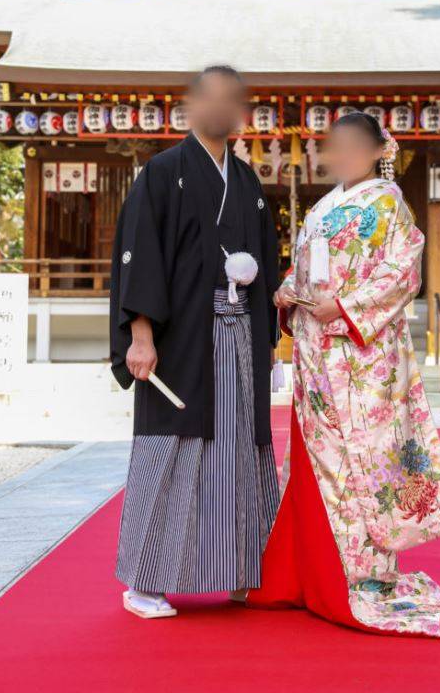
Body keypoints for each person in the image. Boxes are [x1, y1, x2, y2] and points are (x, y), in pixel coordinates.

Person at [247, 112, 440, 637]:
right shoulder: (326, 205)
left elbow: (401, 274)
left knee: (363, 460)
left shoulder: (389, 204)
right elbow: (307, 270)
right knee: (315, 460)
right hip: (316, 353)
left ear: (376, 152)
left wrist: (345, 307)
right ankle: (307, 574)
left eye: (350, 146)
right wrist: (288, 292)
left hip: (364, 362)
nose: (338, 155)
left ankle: (360, 577)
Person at [109, 65, 280, 619]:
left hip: (240, 335)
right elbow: (140, 253)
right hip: (183, 336)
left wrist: (272, 339)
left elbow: (269, 264)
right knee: (175, 446)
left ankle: (240, 570)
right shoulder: (163, 172)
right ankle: (145, 582)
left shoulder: (248, 181)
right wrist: (140, 335)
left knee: (238, 450)